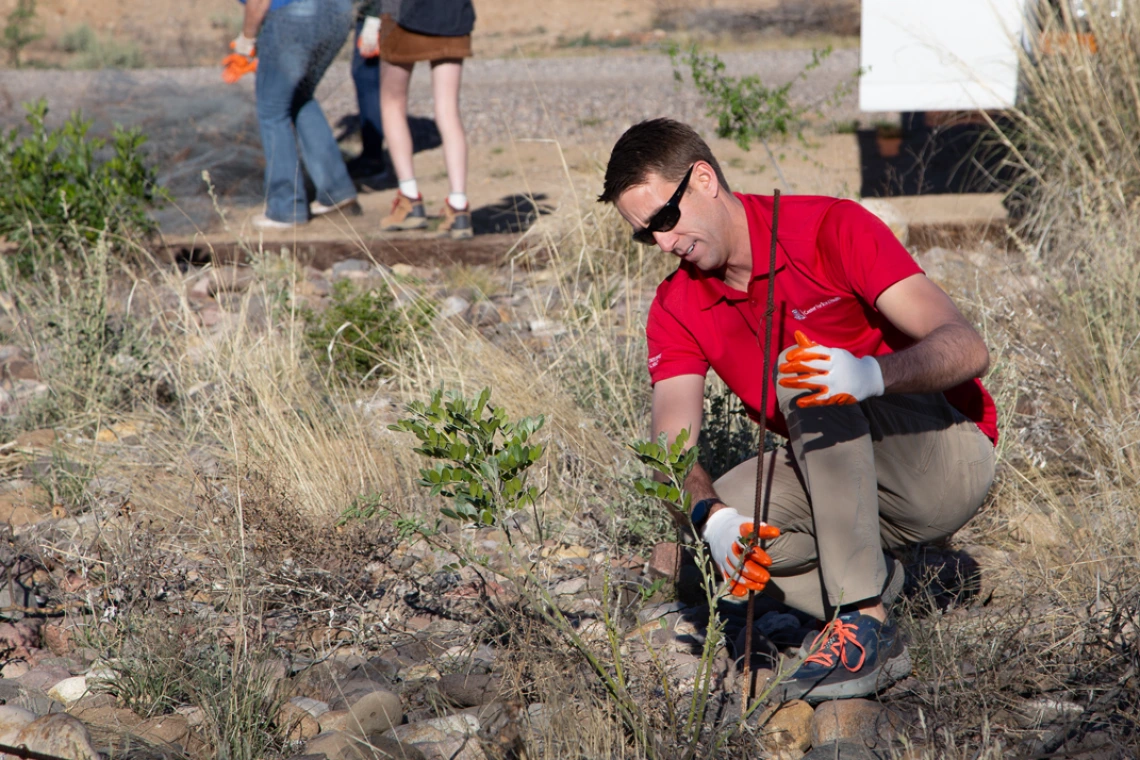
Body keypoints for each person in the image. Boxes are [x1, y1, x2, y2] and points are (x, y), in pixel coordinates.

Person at [597, 118, 998, 703]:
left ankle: (863, 622)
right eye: (644, 235)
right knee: (708, 547)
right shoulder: (677, 303)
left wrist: (871, 375)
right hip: (845, 480)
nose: (662, 242)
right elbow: (668, 449)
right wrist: (711, 517)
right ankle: (904, 582)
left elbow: (968, 347)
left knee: (800, 372)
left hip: (942, 457)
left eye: (663, 219)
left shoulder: (829, 227)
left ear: (704, 179)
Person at [226, 0, 361, 230]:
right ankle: (336, 189)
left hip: (295, 16)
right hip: (338, 12)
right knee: (300, 95)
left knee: (272, 112)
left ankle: (285, 208)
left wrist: (245, 41)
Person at [377, 0, 475, 239]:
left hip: (403, 16)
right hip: (453, 18)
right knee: (448, 108)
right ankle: (458, 207)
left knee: (392, 102)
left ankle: (409, 199)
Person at [348, 1, 388, 185]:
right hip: (378, 12)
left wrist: (373, 19)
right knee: (369, 77)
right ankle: (373, 155)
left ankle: (373, 159)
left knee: (367, 78)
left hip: (377, 13)